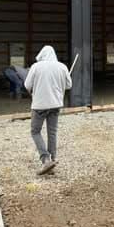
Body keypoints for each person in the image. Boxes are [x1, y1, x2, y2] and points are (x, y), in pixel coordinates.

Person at [24, 45, 72, 176]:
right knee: (52, 133)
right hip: (55, 105)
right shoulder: (62, 67)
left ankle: (45, 159)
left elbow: (27, 85)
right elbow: (69, 85)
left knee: (35, 131)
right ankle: (53, 159)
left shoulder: (36, 67)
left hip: (39, 105)